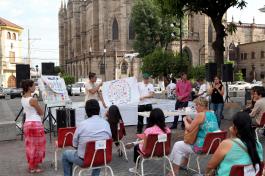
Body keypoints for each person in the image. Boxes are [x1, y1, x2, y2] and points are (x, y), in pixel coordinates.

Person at [169, 97, 219, 175]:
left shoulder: (200, 115)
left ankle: (174, 172)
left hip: (201, 147)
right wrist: (191, 121)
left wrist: (185, 120)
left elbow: (189, 129)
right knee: (187, 143)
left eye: (196, 105)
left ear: (200, 105)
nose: (195, 107)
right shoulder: (212, 113)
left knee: (178, 145)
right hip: (212, 146)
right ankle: (184, 165)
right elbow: (202, 125)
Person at [62, 99, 112, 176]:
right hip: (103, 158)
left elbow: (74, 144)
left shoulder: (82, 124)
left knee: (65, 154)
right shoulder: (106, 123)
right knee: (98, 151)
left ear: (86, 111)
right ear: (98, 110)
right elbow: (109, 140)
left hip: (85, 160)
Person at [126, 108, 171, 173]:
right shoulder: (168, 130)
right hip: (164, 152)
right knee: (153, 141)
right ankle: (135, 143)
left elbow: (144, 149)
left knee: (137, 147)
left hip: (149, 153)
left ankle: (136, 168)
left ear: (151, 118)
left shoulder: (148, 131)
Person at [21, 79, 45, 173]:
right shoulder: (33, 100)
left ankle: (32, 165)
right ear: (29, 87)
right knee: (38, 146)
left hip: (27, 123)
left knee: (30, 146)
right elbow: (41, 112)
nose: (35, 87)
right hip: (35, 124)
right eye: (34, 85)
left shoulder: (23, 98)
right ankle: (34, 167)